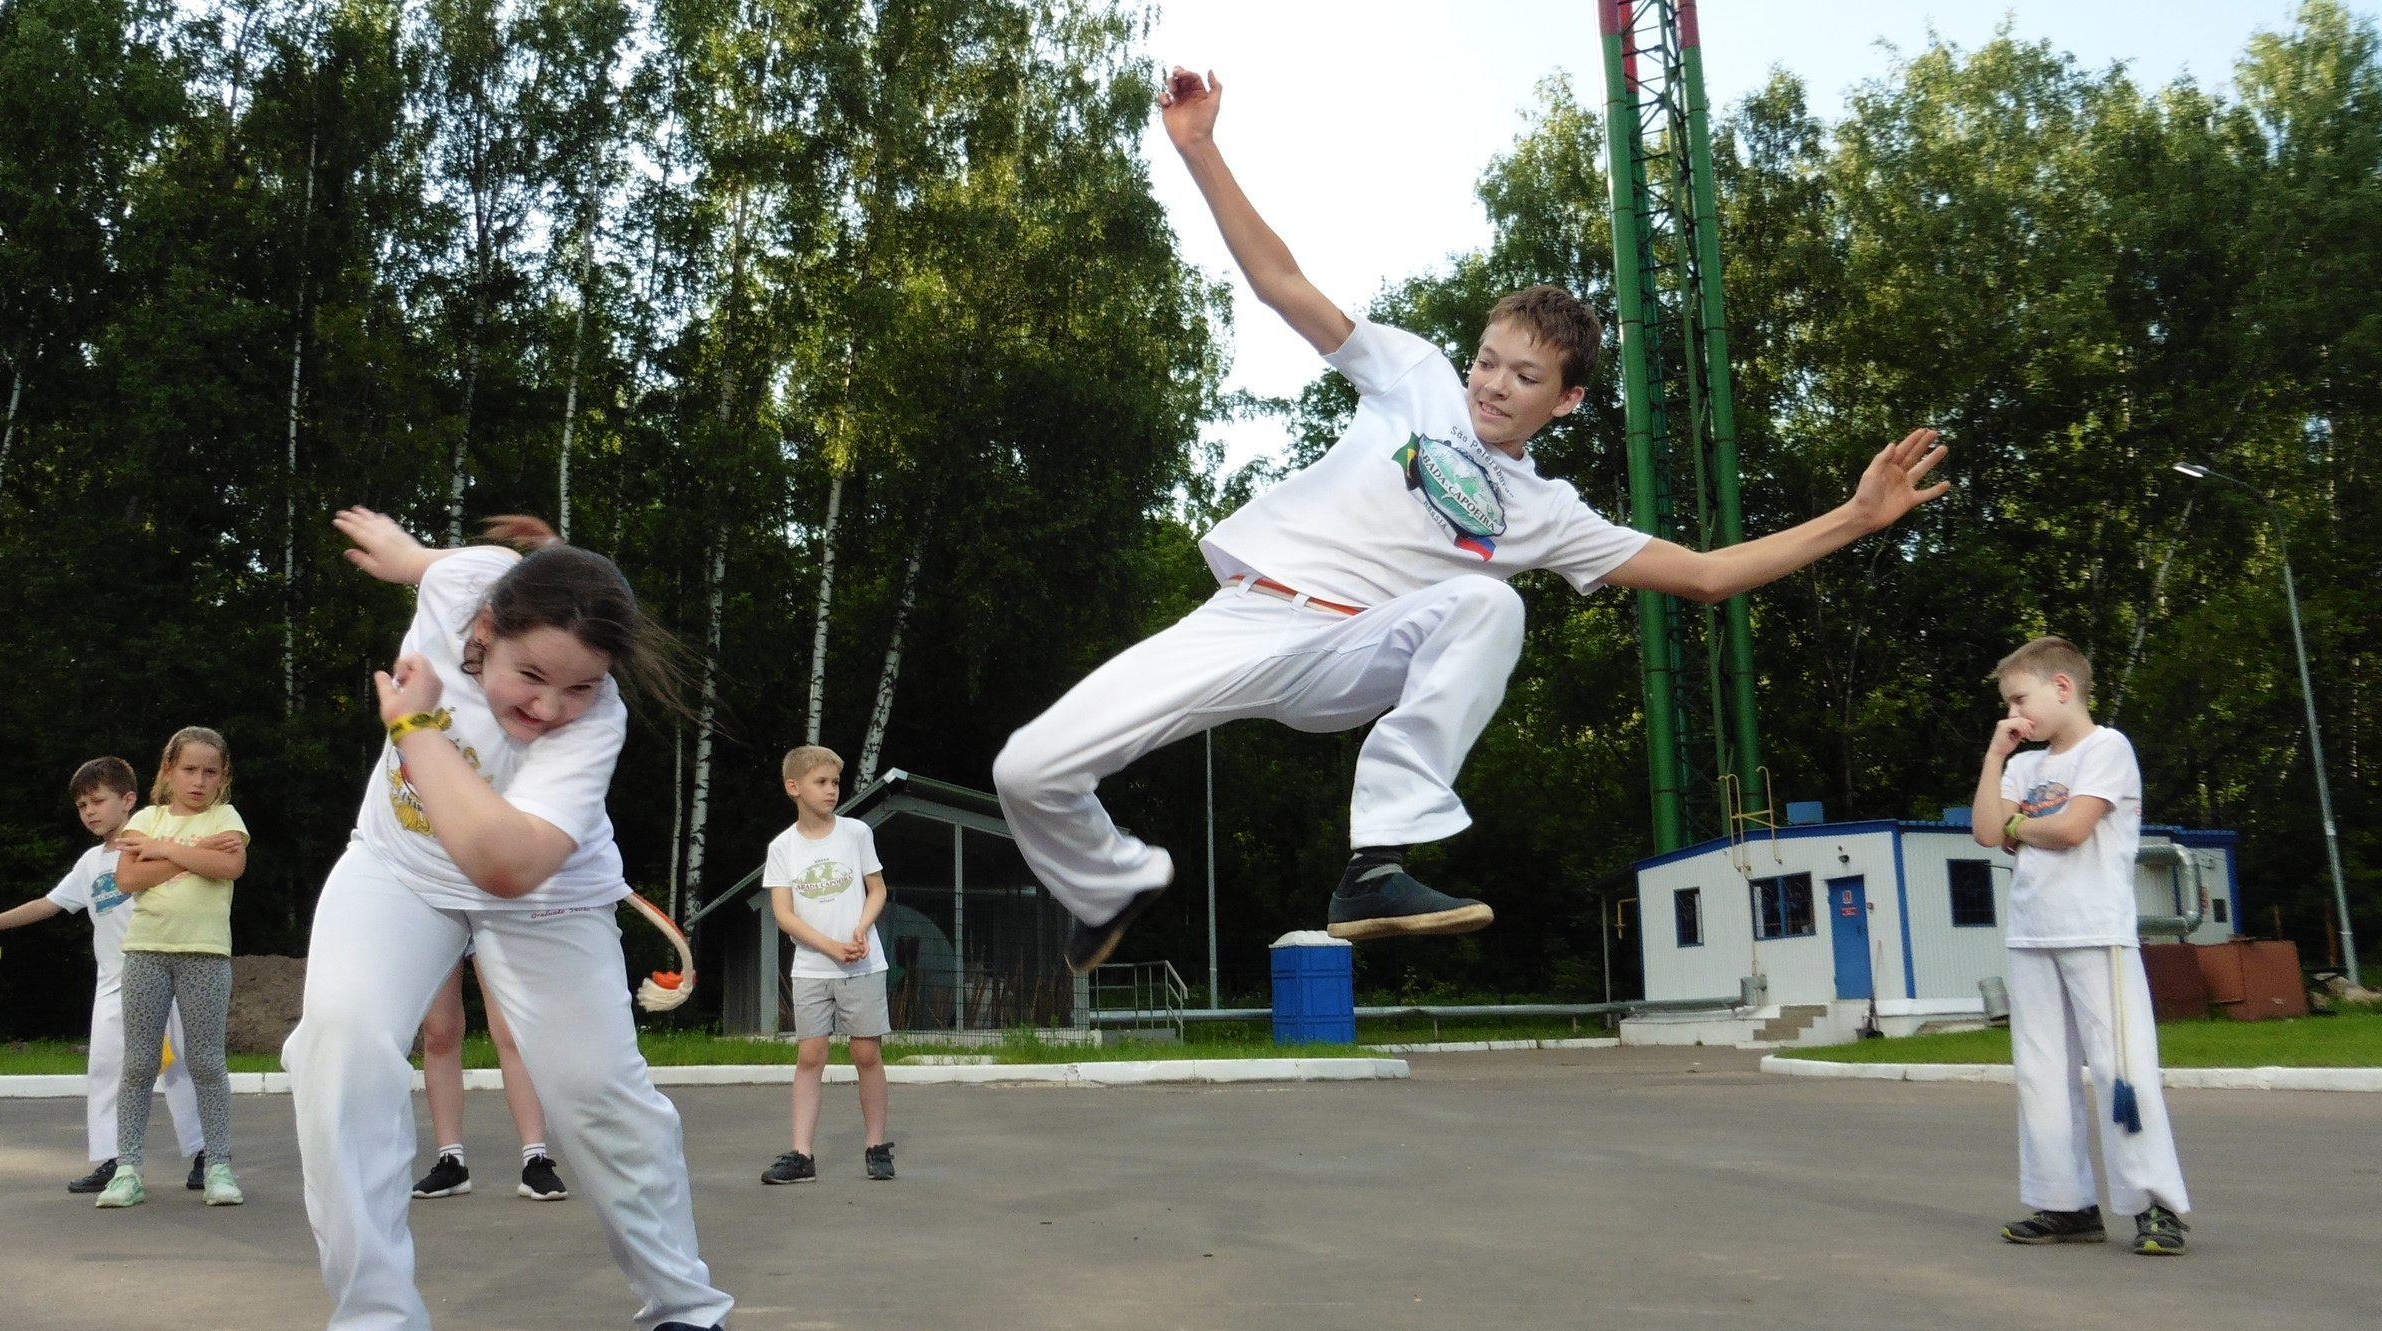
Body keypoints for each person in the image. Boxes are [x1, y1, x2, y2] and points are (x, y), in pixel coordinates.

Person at [994, 68, 1952, 969]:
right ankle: (1113, 884)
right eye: (1489, 361)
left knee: (1490, 607)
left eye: (1525, 378)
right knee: (1028, 770)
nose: (1493, 386)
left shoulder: (1547, 511)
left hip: (1355, 648)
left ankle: (1375, 860)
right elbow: (1283, 285)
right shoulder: (1411, 378)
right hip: (1247, 615)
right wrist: (1201, 150)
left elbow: (1704, 577)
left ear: (1567, 401)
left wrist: (1856, 518)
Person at [280, 509, 730, 1331]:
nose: (549, 708)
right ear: (485, 628)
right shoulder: (465, 588)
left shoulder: (592, 727)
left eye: (581, 686)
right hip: (398, 868)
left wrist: (414, 732)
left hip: (543, 896)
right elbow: (445, 566)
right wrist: (409, 556)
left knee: (594, 1088)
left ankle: (681, 1300)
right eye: (533, 676)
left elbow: (508, 863)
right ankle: (373, 1320)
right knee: (335, 1042)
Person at [1970, 636, 2191, 1256]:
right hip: (2032, 934)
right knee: (2042, 1077)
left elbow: (2070, 830)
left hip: (2097, 932)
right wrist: (1996, 754)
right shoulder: (2020, 765)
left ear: (2062, 688)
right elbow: (1988, 830)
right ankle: (2065, 1203)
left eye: (2020, 700)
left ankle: (2155, 1206)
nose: (2014, 715)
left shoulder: (2107, 748)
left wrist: (2020, 825)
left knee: (2123, 1070)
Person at [0, 756, 207, 1193]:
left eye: (98, 801)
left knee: (176, 1066)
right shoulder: (89, 864)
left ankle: (204, 1153)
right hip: (112, 985)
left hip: (162, 973)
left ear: (128, 800)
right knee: (104, 1069)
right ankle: (114, 1160)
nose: (89, 812)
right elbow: (48, 904)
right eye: (82, 806)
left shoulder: (154, 844)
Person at [98, 728, 247, 1210]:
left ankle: (219, 1166)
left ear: (223, 777)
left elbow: (231, 867)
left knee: (206, 1062)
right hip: (145, 952)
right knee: (139, 1063)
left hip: (205, 953)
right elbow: (127, 877)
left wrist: (163, 850)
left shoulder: (226, 817)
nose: (198, 781)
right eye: (189, 770)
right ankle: (126, 1170)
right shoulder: (146, 817)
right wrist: (195, 854)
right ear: (168, 771)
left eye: (210, 772)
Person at [758, 745, 894, 1187]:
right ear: (793, 787)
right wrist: (832, 948)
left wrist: (859, 929)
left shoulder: (856, 833)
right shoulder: (782, 847)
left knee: (865, 1053)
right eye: (821, 782)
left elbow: (877, 890)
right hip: (813, 968)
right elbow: (785, 914)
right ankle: (802, 1154)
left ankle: (877, 1147)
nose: (831, 790)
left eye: (835, 782)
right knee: (810, 1055)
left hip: (863, 964)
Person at [411, 959, 570, 1202]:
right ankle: (450, 1161)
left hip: (490, 921)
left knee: (510, 1030)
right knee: (439, 1032)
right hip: (443, 920)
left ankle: (535, 1160)